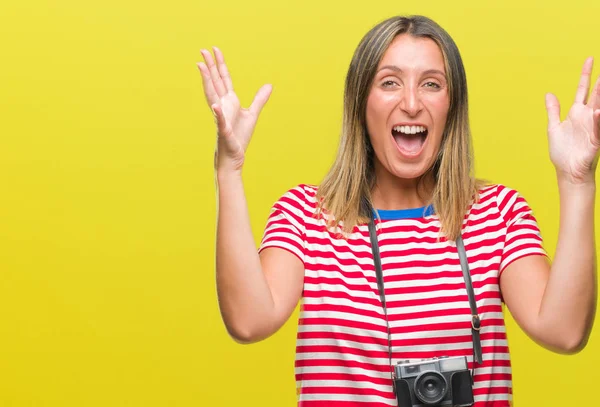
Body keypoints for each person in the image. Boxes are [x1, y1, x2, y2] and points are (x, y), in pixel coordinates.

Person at [197, 15, 599, 407]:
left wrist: (577, 182)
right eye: (389, 83)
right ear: (360, 103)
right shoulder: (305, 215)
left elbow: (564, 332)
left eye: (431, 84)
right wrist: (228, 170)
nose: (411, 103)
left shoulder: (499, 213)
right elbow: (249, 322)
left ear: (451, 106)